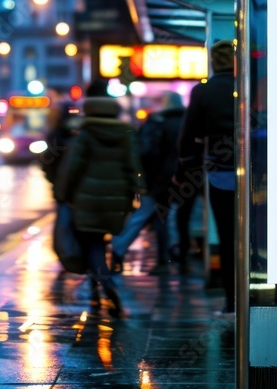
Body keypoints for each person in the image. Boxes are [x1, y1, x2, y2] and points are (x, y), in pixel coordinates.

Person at [55, 85, 144, 318]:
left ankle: (108, 289)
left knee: (92, 246)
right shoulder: (126, 134)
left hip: (86, 200)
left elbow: (72, 170)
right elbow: (134, 167)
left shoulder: (85, 134)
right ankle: (95, 291)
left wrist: (62, 195)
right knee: (99, 242)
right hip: (116, 202)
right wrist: (133, 195)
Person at [177, 39, 236, 315]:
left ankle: (231, 303)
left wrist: (188, 168)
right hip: (259, 175)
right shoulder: (251, 88)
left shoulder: (203, 91)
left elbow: (188, 136)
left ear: (213, 61)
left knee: (227, 236)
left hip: (220, 173)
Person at [110, 91, 186, 275]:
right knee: (177, 219)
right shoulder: (186, 123)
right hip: (183, 180)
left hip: (157, 181)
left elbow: (146, 153)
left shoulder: (157, 123)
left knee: (144, 217)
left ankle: (118, 250)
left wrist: (144, 181)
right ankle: (176, 257)